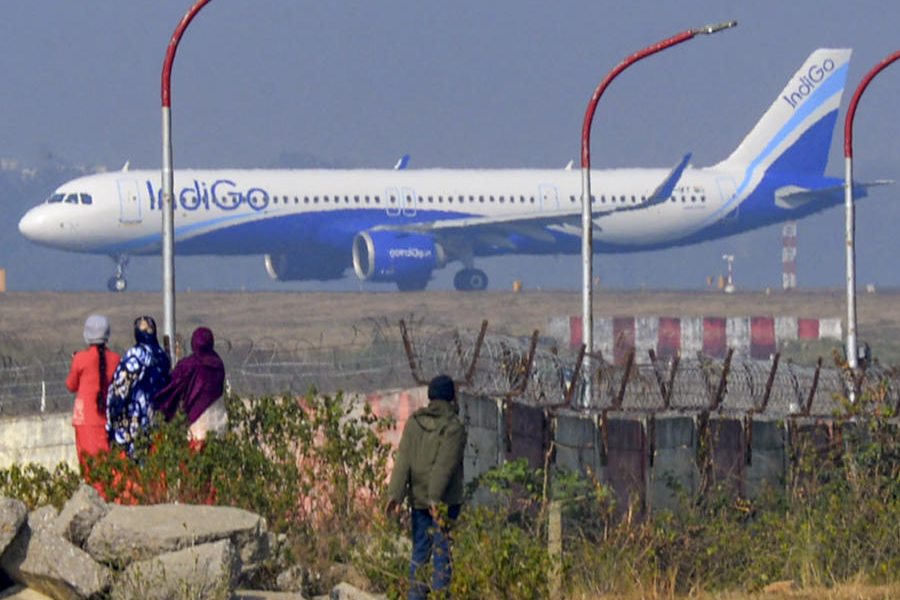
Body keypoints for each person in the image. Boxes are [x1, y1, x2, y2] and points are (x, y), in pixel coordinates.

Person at [386, 374, 467, 599]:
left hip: (419, 500)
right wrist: (435, 500)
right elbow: (444, 465)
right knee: (442, 554)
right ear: (451, 397)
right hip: (442, 503)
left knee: (420, 553)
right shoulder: (454, 427)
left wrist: (395, 495)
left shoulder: (415, 422)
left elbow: (403, 460)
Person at [106, 315, 171, 458]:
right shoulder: (162, 356)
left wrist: (114, 411)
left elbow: (121, 386)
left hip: (136, 416)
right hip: (159, 417)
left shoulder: (135, 354)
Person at [153, 326, 227, 444]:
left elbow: (173, 388)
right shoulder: (218, 364)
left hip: (197, 421)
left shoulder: (189, 365)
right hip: (218, 419)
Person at [65, 314, 120, 471]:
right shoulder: (115, 359)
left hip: (84, 419)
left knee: (88, 465)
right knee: (107, 465)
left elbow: (71, 385)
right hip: (107, 418)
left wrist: (75, 363)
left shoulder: (81, 359)